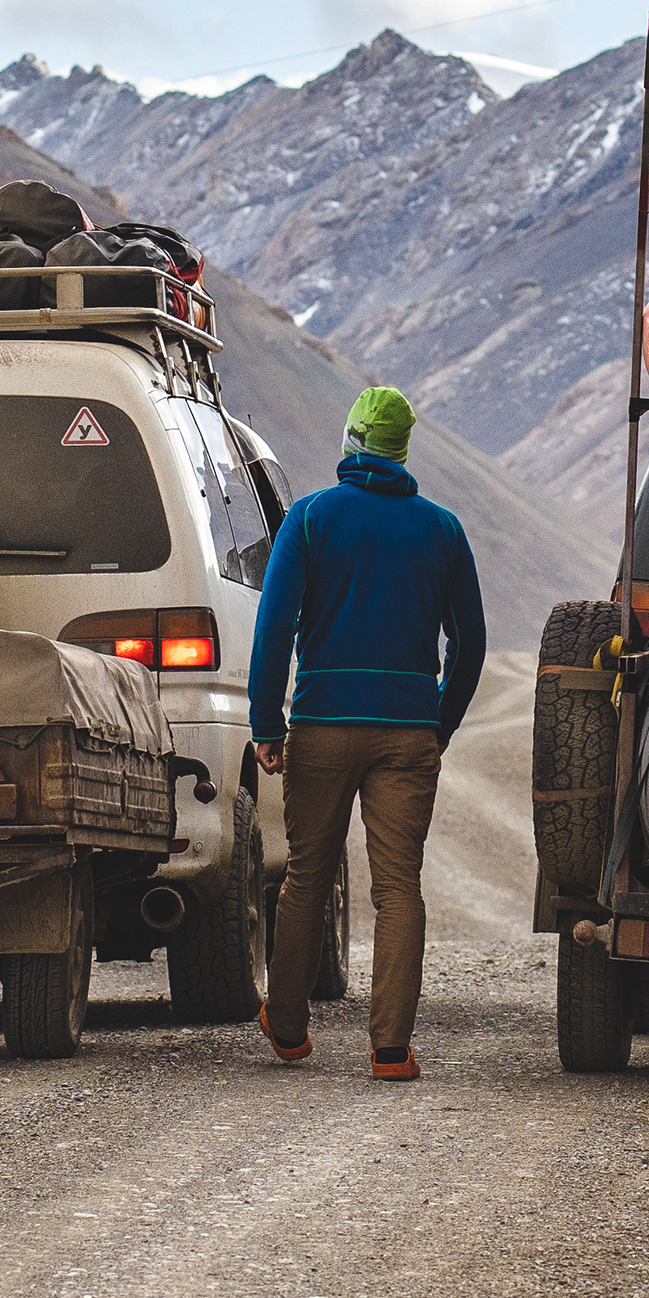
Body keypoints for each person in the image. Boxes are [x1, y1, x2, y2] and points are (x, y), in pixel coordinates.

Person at [246, 384, 485, 1081]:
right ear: (402, 450)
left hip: (321, 725)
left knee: (307, 878)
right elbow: (469, 642)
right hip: (408, 733)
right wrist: (440, 720)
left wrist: (267, 721)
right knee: (398, 887)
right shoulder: (442, 530)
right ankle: (389, 1049)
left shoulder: (311, 518)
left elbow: (274, 627)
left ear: (351, 439)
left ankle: (289, 1028)